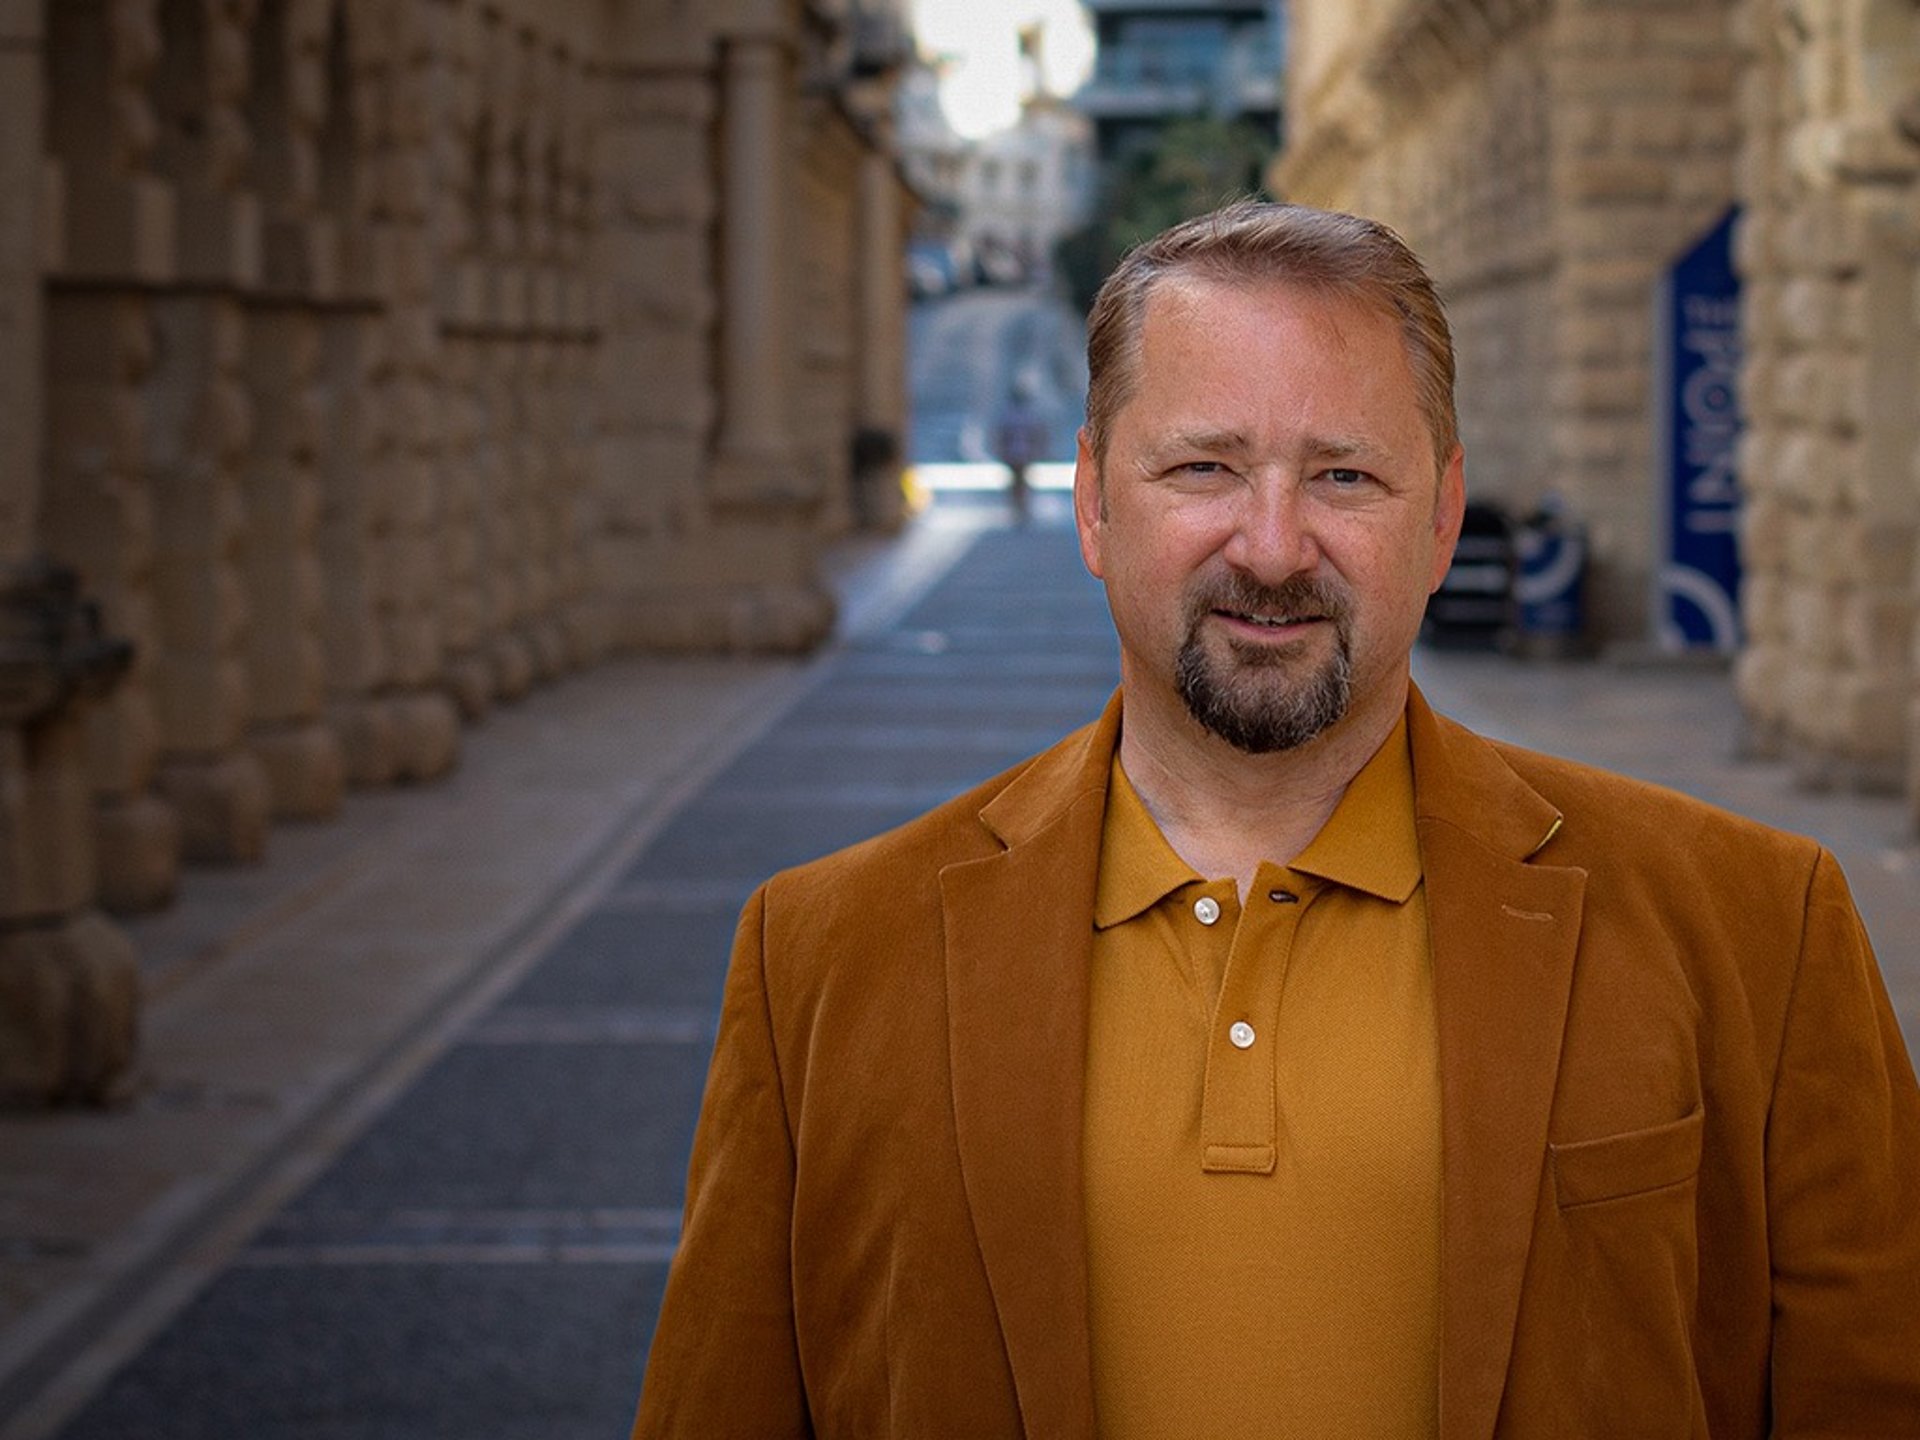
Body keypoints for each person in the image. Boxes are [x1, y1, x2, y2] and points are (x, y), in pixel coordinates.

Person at [631, 202, 1920, 1438]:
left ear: (1443, 515)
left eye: (1345, 475)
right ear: (1090, 499)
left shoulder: (1758, 926)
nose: (1272, 544)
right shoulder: (824, 957)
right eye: (1205, 467)